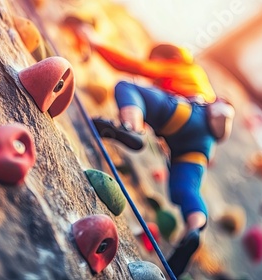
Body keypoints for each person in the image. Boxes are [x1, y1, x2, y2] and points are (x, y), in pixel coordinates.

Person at [78, 26, 236, 277]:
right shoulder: (205, 87)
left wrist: (95, 42)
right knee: (185, 190)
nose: (155, 81)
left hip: (186, 115)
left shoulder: (184, 67)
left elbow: (138, 68)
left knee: (127, 88)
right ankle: (194, 230)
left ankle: (131, 128)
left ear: (167, 58)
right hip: (201, 145)